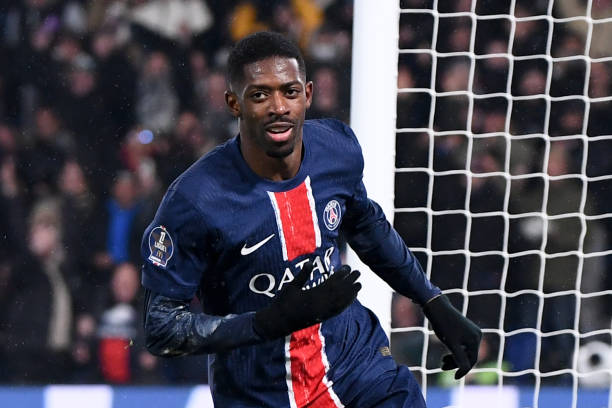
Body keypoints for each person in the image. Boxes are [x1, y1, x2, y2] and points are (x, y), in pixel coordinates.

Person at [141, 31, 482, 407]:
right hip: (261, 393)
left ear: (308, 94)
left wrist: (433, 302)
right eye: (260, 95)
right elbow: (161, 327)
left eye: (289, 92)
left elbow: (366, 225)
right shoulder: (195, 201)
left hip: (358, 367)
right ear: (234, 103)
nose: (278, 107)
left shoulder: (336, 149)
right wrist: (265, 323)